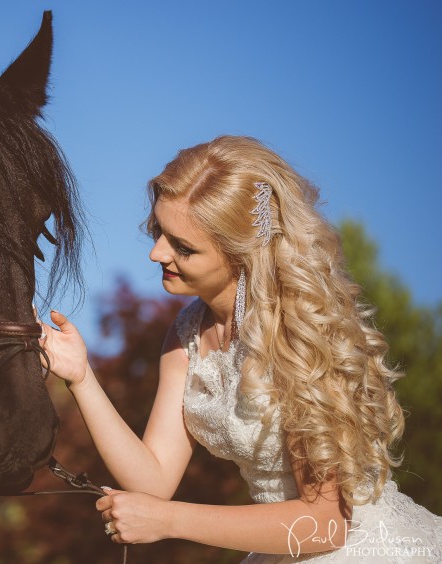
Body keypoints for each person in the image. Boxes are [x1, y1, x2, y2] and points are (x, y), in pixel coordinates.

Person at [38, 135, 442, 562]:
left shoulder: (295, 334)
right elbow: (152, 482)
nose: (157, 253)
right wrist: (81, 376)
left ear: (242, 254)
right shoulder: (187, 332)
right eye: (159, 231)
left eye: (183, 246)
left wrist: (169, 521)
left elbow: (328, 523)